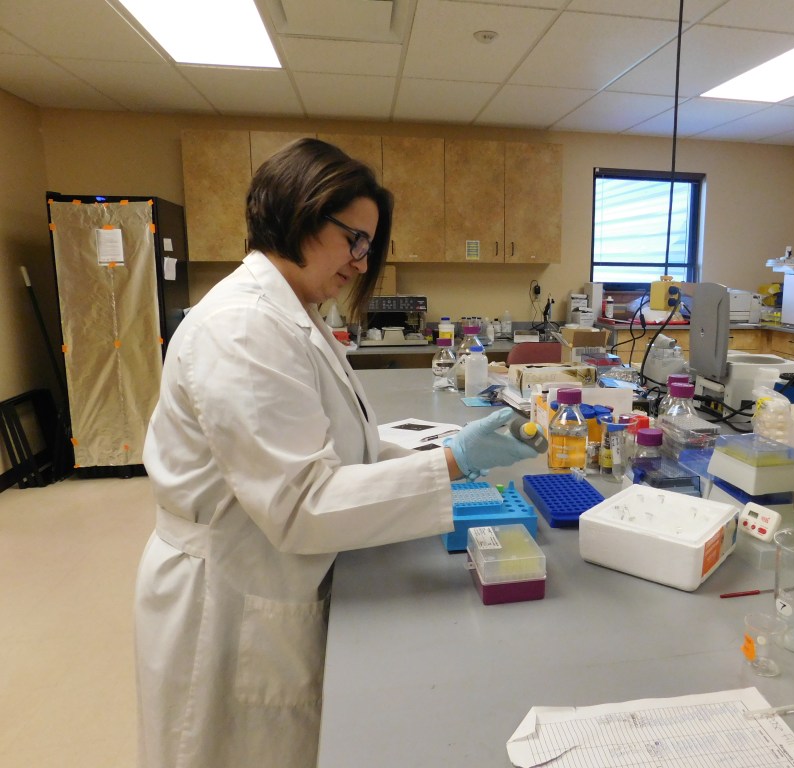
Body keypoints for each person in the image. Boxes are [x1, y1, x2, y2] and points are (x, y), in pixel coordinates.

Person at [134, 138, 537, 768]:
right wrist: (454, 460)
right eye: (354, 238)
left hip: (263, 567)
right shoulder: (243, 327)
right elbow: (303, 505)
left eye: (368, 245)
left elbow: (342, 449)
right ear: (299, 211)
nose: (360, 260)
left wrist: (446, 453)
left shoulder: (295, 311)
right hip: (228, 593)